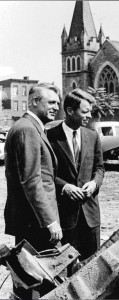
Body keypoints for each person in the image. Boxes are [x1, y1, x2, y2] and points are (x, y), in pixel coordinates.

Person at [47, 88, 104, 267]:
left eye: (90, 112)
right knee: (68, 266)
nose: (88, 116)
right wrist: (65, 187)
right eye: (84, 111)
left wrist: (94, 183)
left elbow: (100, 168)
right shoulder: (50, 137)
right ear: (70, 111)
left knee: (93, 264)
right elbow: (46, 174)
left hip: (91, 214)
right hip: (65, 214)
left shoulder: (92, 136)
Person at [4, 82, 63, 250]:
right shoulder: (27, 129)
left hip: (34, 219)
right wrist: (50, 221)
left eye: (58, 103)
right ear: (34, 102)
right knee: (40, 273)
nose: (56, 107)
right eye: (51, 102)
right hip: (35, 222)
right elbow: (31, 180)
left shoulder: (32, 127)